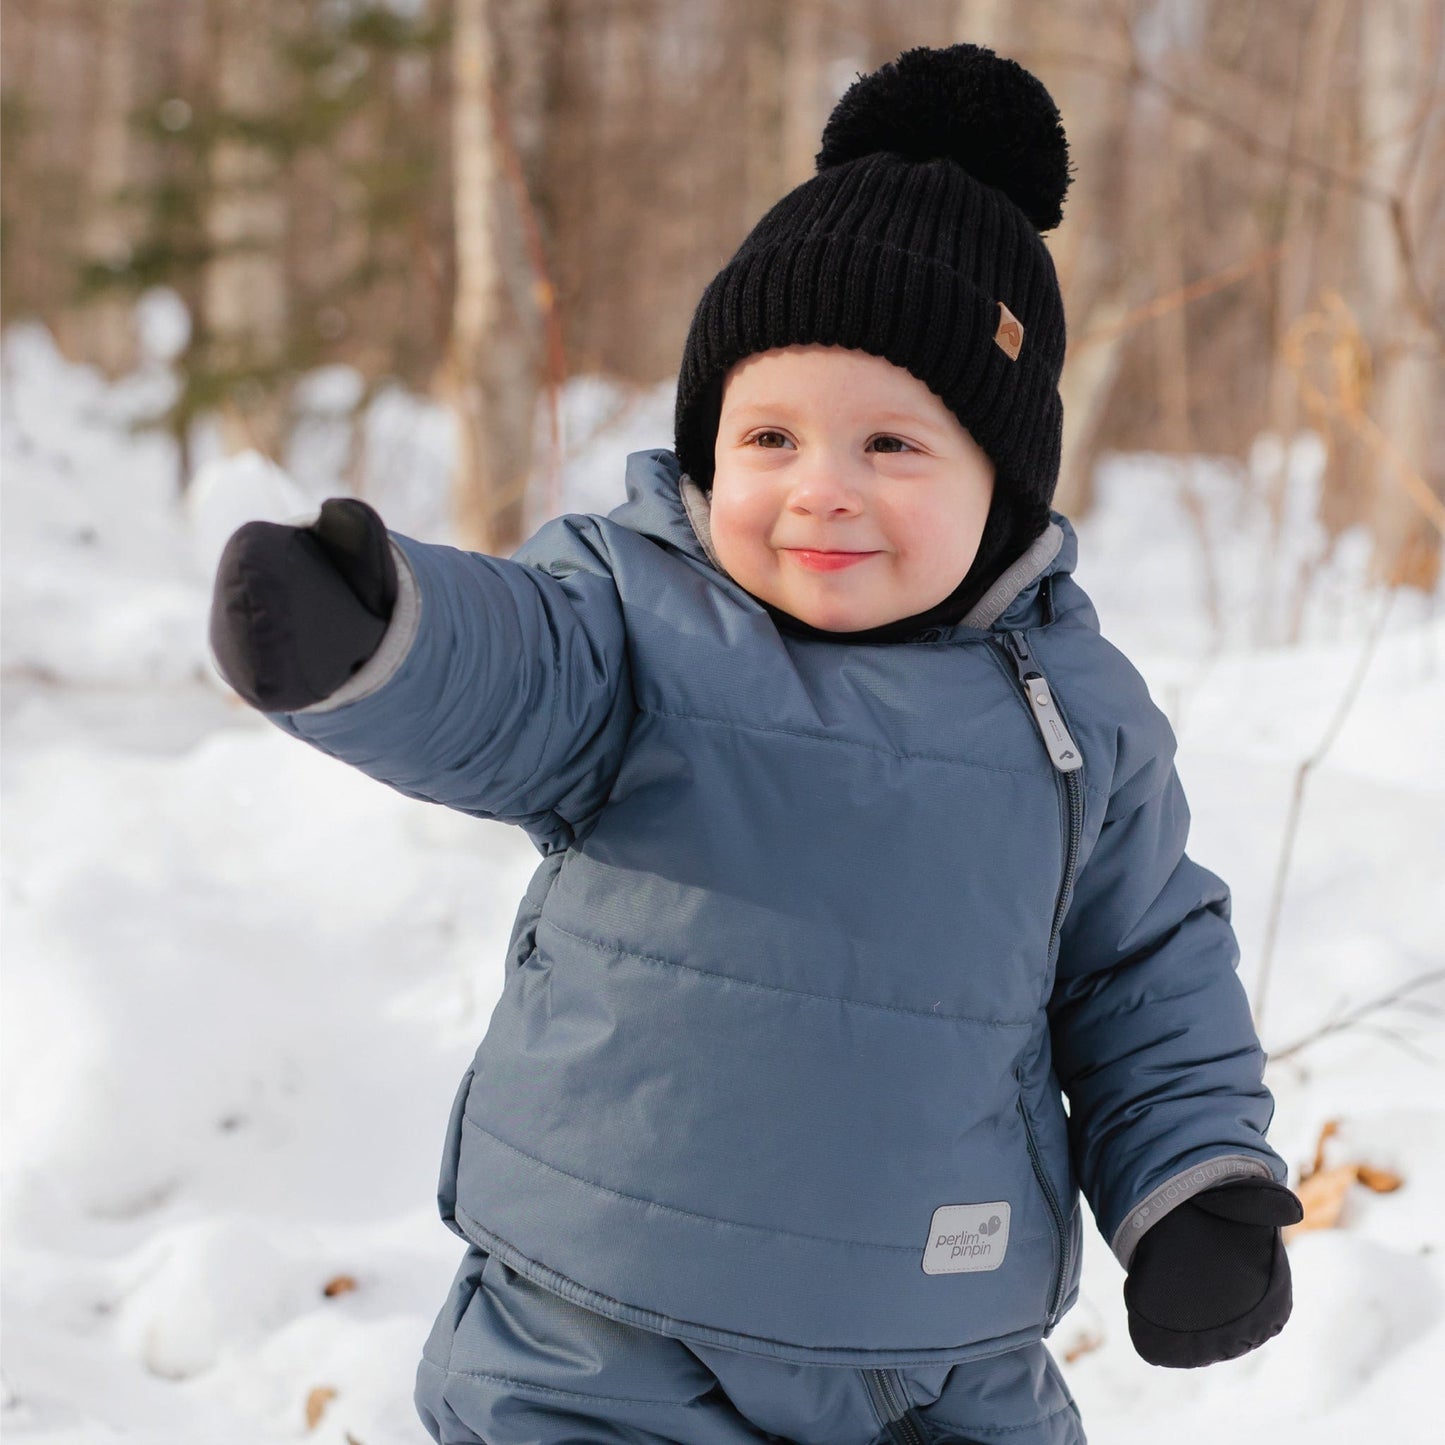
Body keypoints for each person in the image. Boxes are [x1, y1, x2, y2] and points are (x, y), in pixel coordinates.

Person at [208, 43, 1303, 1445]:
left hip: (935, 1345)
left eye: (891, 447)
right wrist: (377, 635)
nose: (816, 492)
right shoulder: (637, 625)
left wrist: (1193, 1185)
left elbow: (1145, 964)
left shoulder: (1076, 717)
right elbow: (510, 668)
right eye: (768, 435)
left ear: (1003, 485)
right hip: (605, 1334)